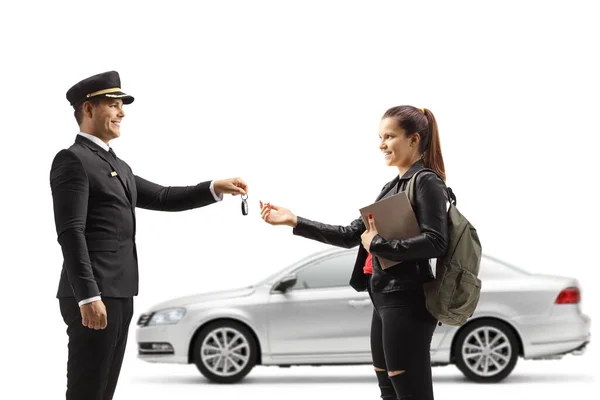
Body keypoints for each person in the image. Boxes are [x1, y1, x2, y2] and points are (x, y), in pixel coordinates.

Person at [50, 70, 249, 400]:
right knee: (87, 391)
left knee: (102, 390)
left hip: (119, 291)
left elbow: (162, 196)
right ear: (88, 109)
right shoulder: (73, 160)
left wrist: (214, 188)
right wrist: (88, 295)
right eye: (113, 105)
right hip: (94, 294)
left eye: (121, 105)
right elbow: (71, 231)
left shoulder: (117, 166)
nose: (122, 112)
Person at [259, 105, 449, 400]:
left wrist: (379, 245)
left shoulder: (427, 182)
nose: (381, 145)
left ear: (414, 139)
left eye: (389, 136)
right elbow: (351, 235)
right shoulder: (391, 187)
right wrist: (294, 220)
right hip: (383, 299)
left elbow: (436, 242)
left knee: (411, 394)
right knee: (389, 391)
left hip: (407, 302)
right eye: (380, 137)